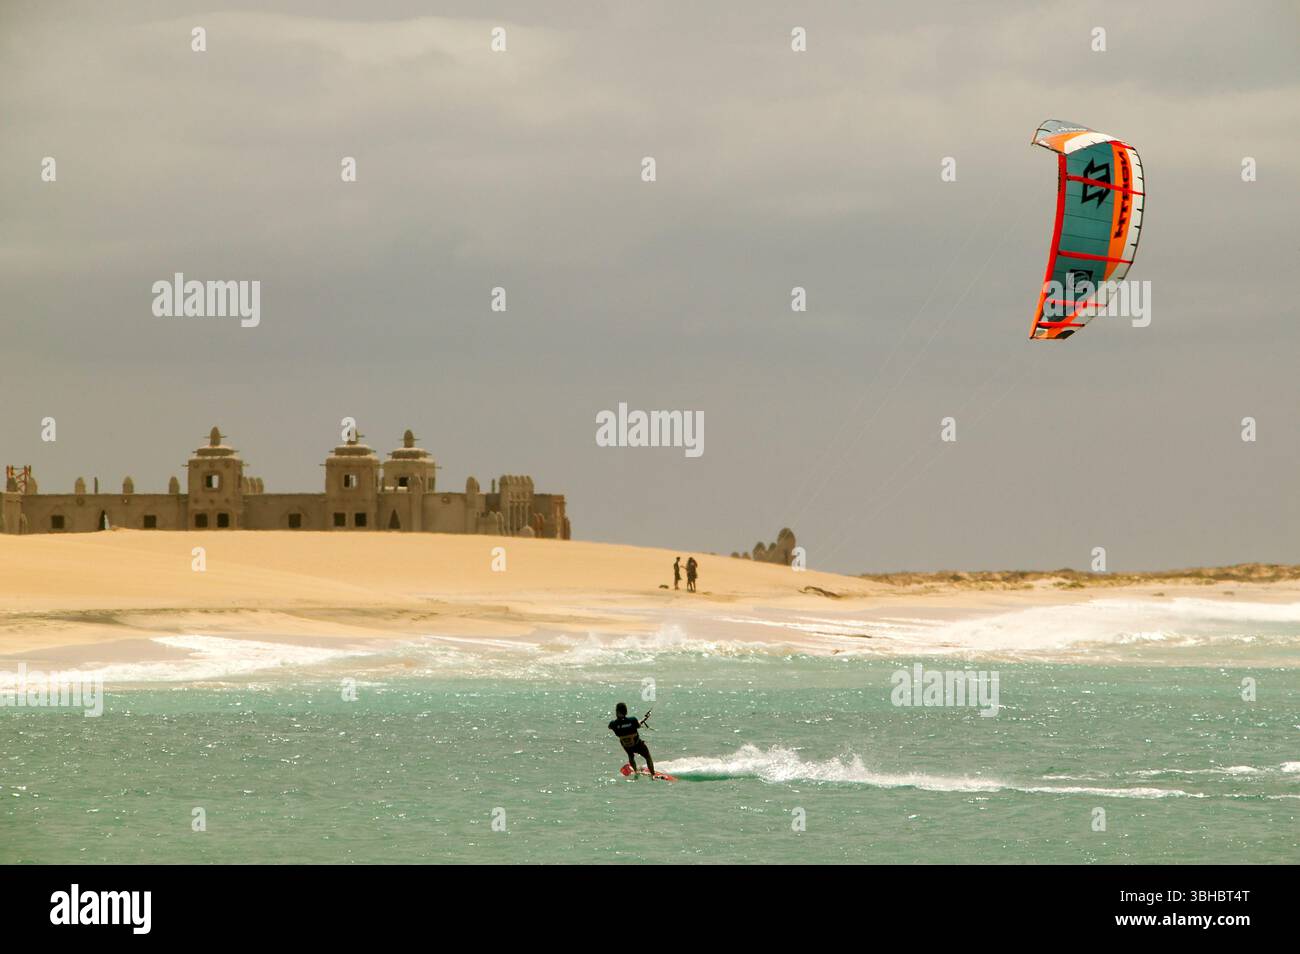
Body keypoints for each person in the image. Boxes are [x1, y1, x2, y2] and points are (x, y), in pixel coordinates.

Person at [609, 702, 655, 777]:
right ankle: (653, 775)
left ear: (617, 712)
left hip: (627, 746)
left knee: (630, 756)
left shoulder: (613, 724)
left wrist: (621, 725)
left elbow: (610, 727)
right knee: (647, 757)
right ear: (626, 712)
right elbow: (638, 725)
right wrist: (644, 719)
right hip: (637, 744)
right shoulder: (632, 720)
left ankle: (636, 771)